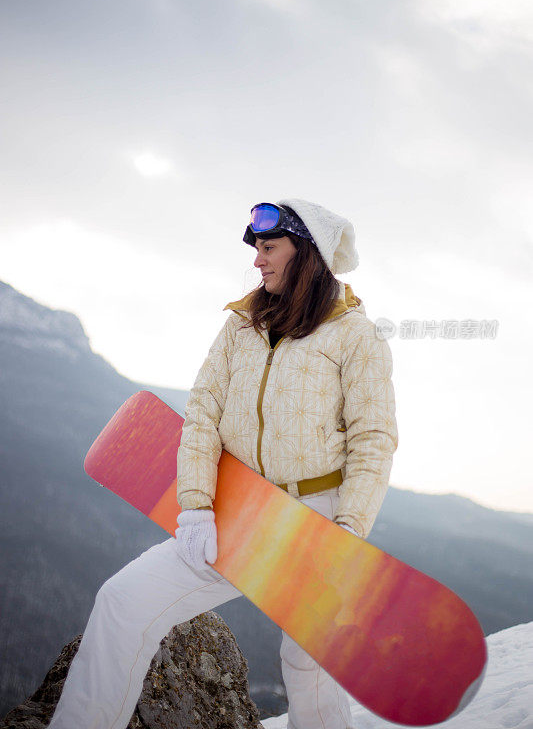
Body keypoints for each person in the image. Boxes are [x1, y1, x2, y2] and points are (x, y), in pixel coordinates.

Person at [48, 198, 398, 729]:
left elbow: (374, 439)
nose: (258, 260)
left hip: (315, 516)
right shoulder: (242, 325)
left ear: (307, 253)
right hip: (239, 508)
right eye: (257, 248)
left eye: (270, 247)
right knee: (122, 600)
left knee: (308, 664)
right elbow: (203, 413)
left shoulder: (355, 335)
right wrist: (195, 505)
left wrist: (347, 531)